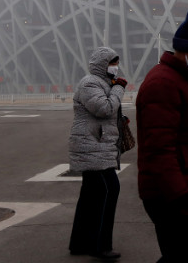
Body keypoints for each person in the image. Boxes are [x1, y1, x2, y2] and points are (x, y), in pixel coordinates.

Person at [136, 10, 188, 263]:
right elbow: (159, 148)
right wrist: (181, 196)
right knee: (184, 254)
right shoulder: (163, 83)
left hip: (184, 187)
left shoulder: (182, 80)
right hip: (169, 194)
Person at [68, 46, 127, 260]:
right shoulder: (90, 83)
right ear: (102, 65)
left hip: (97, 145)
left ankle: (80, 243)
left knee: (91, 195)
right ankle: (100, 246)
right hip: (92, 146)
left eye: (116, 62)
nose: (115, 67)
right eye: (112, 62)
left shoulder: (103, 83)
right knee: (107, 190)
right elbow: (104, 109)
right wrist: (119, 89)